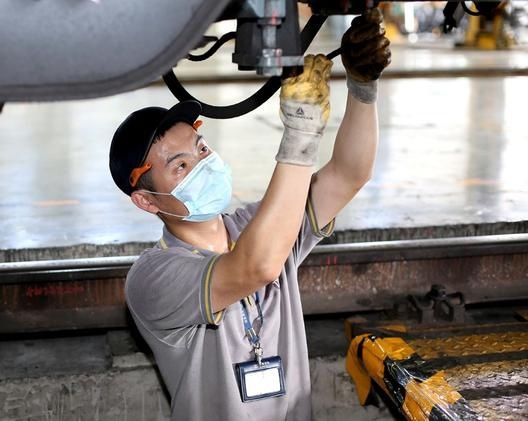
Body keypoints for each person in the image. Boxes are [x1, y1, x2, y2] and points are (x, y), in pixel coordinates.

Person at [108, 9, 390, 421]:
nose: (202, 164)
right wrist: (300, 135)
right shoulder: (152, 278)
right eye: (180, 166)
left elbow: (348, 175)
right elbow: (256, 266)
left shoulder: (258, 228)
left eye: (201, 149)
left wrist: (363, 87)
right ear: (147, 201)